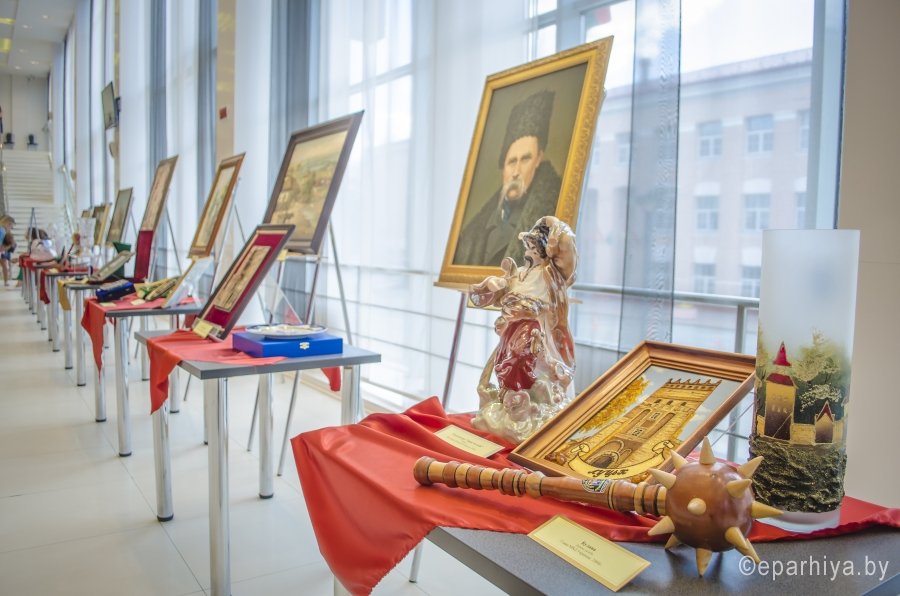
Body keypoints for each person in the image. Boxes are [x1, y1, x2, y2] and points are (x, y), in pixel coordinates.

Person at [468, 216, 577, 443]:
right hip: (513, 326)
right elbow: (502, 292)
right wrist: (494, 286)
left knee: (520, 358)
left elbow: (566, 254)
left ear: (543, 252)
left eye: (534, 249)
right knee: (503, 358)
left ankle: (522, 397)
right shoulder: (519, 273)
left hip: (533, 327)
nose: (529, 252)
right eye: (528, 247)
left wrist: (552, 225)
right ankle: (509, 397)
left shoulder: (548, 274)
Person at [454, 90, 562, 267]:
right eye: (512, 161)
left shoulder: (550, 216)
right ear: (503, 166)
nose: (516, 171)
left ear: (538, 159)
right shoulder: (477, 228)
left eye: (525, 159)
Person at [0, 215, 16, 286]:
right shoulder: (2, 231)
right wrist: (10, 246)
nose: (11, 228)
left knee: (5, 265)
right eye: (11, 226)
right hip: (2, 250)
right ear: (7, 223)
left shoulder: (3, 231)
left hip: (3, 251)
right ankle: (6, 281)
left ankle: (6, 281)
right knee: (5, 266)